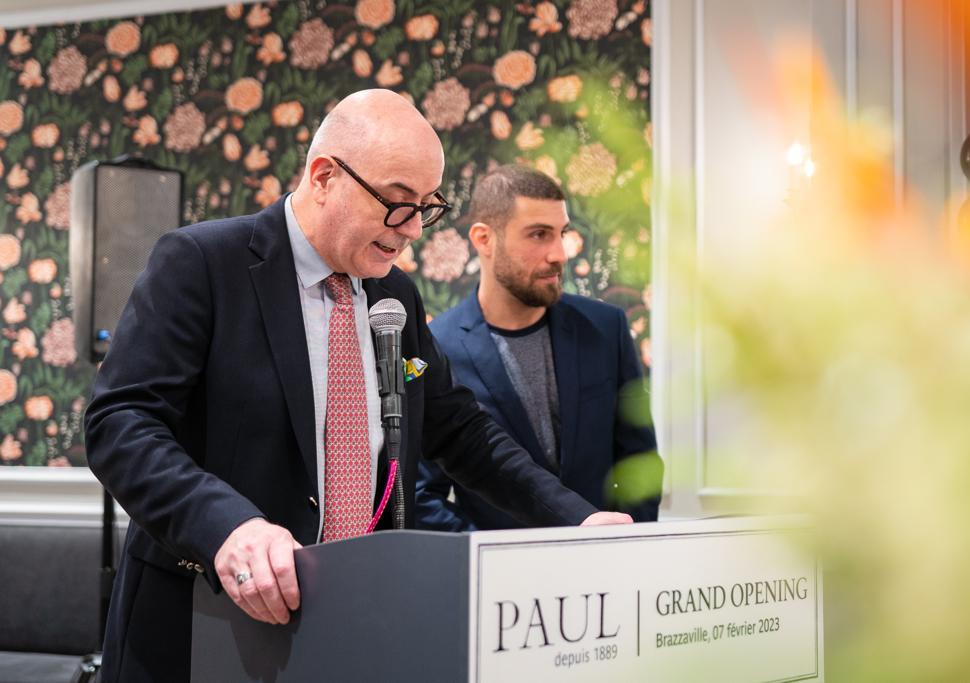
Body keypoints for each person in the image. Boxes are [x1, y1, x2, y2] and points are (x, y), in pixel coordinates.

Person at [85, 90, 630, 683]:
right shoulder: (203, 262)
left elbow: (461, 431)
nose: (414, 228)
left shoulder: (395, 295)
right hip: (202, 620)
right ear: (325, 177)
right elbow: (121, 423)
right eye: (398, 202)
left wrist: (576, 519)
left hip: (353, 620)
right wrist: (227, 526)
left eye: (427, 206)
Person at [416, 165, 662, 532]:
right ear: (484, 239)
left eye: (562, 233)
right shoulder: (437, 346)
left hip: (606, 558)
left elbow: (640, 460)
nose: (559, 254)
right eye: (538, 234)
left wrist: (625, 543)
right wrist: (493, 555)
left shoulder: (605, 327)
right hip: (495, 565)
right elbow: (422, 494)